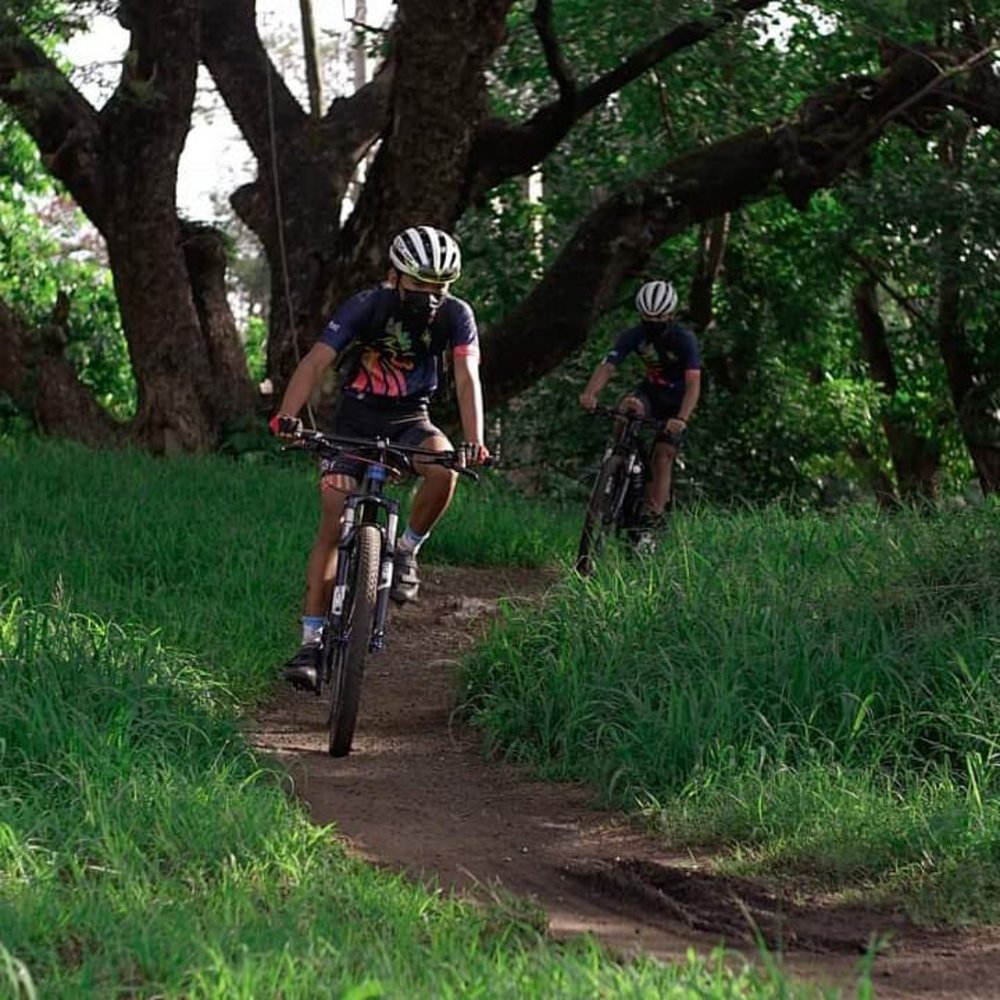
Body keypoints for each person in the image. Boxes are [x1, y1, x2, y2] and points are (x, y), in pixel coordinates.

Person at [270, 225, 489, 690]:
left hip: (412, 421)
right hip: (353, 428)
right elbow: (315, 361)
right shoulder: (367, 304)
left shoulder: (457, 315)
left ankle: (407, 550)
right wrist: (287, 417)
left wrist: (475, 440)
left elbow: (467, 377)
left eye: (439, 288)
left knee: (445, 466)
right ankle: (310, 643)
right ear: (395, 275)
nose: (428, 298)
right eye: (418, 285)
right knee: (333, 514)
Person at [578, 279, 701, 545]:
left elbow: (693, 384)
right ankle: (617, 461)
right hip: (651, 394)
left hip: (677, 403)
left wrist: (682, 418)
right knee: (627, 408)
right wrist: (591, 394)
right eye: (647, 317)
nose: (652, 322)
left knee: (663, 455)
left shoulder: (684, 340)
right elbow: (608, 366)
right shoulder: (635, 335)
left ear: (670, 315)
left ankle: (651, 519)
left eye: (658, 317)